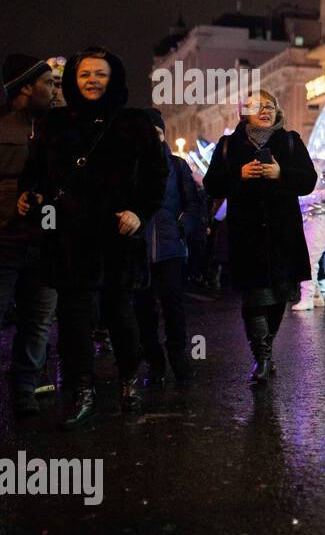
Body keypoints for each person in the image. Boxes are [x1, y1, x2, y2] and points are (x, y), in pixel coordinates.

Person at [19, 47, 168, 427]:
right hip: (68, 235)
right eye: (85, 74)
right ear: (73, 79)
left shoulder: (134, 123)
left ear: (113, 78)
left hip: (118, 231)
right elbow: (36, 172)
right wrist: (29, 194)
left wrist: (139, 212)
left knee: (120, 314)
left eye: (100, 74)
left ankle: (128, 383)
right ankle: (81, 393)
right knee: (73, 318)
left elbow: (156, 177)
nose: (92, 80)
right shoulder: (54, 123)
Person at [204, 90, 318, 385]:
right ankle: (263, 357)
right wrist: (239, 174)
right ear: (244, 113)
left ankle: (265, 350)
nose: (264, 110)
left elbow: (308, 181)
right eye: (256, 106)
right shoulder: (229, 145)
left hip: (284, 235)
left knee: (278, 295)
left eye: (269, 106)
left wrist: (281, 173)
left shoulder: (290, 140)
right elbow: (212, 185)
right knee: (255, 295)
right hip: (247, 235)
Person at [1, 54, 59, 418]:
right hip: (5, 241)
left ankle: (24, 388)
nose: (55, 91)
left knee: (38, 320)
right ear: (25, 86)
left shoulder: (57, 131)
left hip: (46, 243)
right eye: (49, 84)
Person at [134, 108, 201, 384]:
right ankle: (155, 362)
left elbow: (193, 202)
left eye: (157, 132)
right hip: (137, 248)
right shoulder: (131, 166)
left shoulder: (177, 165)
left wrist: (184, 228)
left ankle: (178, 357)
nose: (152, 137)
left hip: (171, 247)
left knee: (173, 304)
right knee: (143, 308)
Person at [291, 158, 325, 311]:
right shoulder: (302, 187)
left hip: (318, 224)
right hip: (306, 224)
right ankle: (316, 296)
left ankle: (307, 298)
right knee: (309, 260)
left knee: (309, 261)